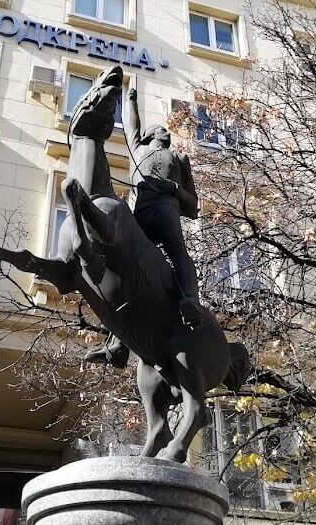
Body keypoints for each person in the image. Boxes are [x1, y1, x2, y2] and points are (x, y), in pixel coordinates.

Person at [85, 88, 201, 367]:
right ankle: (117, 344)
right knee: (124, 267)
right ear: (150, 136)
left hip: (165, 210)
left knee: (179, 254)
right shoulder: (137, 149)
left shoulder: (179, 159)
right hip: (139, 215)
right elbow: (130, 124)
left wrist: (173, 188)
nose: (167, 135)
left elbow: (193, 205)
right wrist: (132, 98)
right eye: (162, 131)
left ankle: (190, 302)